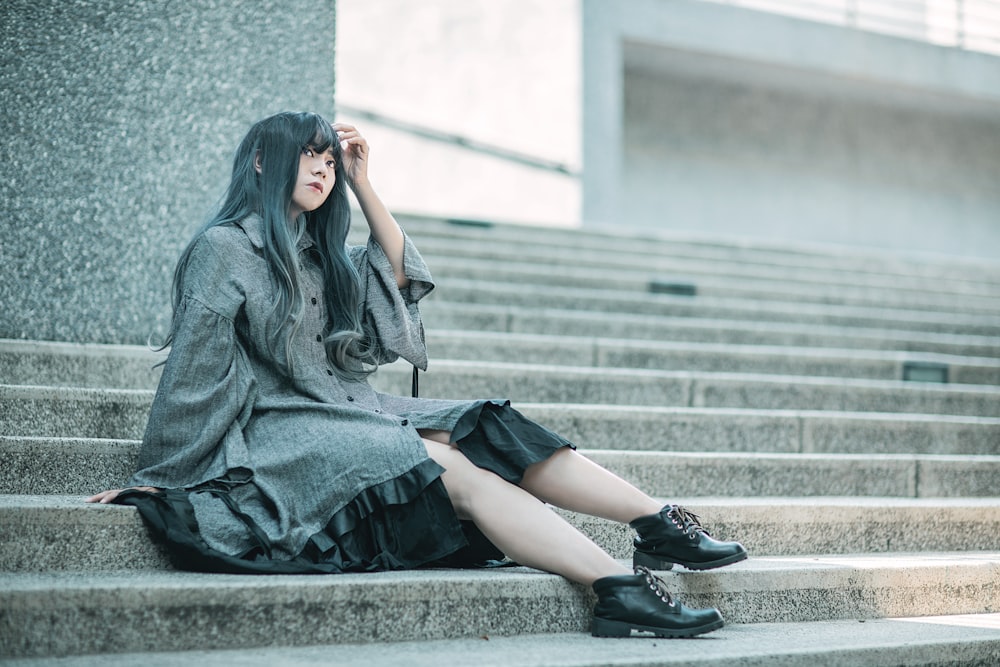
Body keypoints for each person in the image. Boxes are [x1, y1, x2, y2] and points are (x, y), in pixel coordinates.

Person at [86, 111, 747, 638]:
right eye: (307, 156)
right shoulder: (224, 249)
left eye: (327, 160)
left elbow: (400, 278)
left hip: (351, 408)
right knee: (446, 464)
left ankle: (657, 521)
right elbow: (195, 367)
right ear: (261, 161)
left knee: (485, 424)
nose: (320, 169)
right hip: (285, 429)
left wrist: (363, 182)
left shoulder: (320, 255)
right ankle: (618, 589)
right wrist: (161, 475)